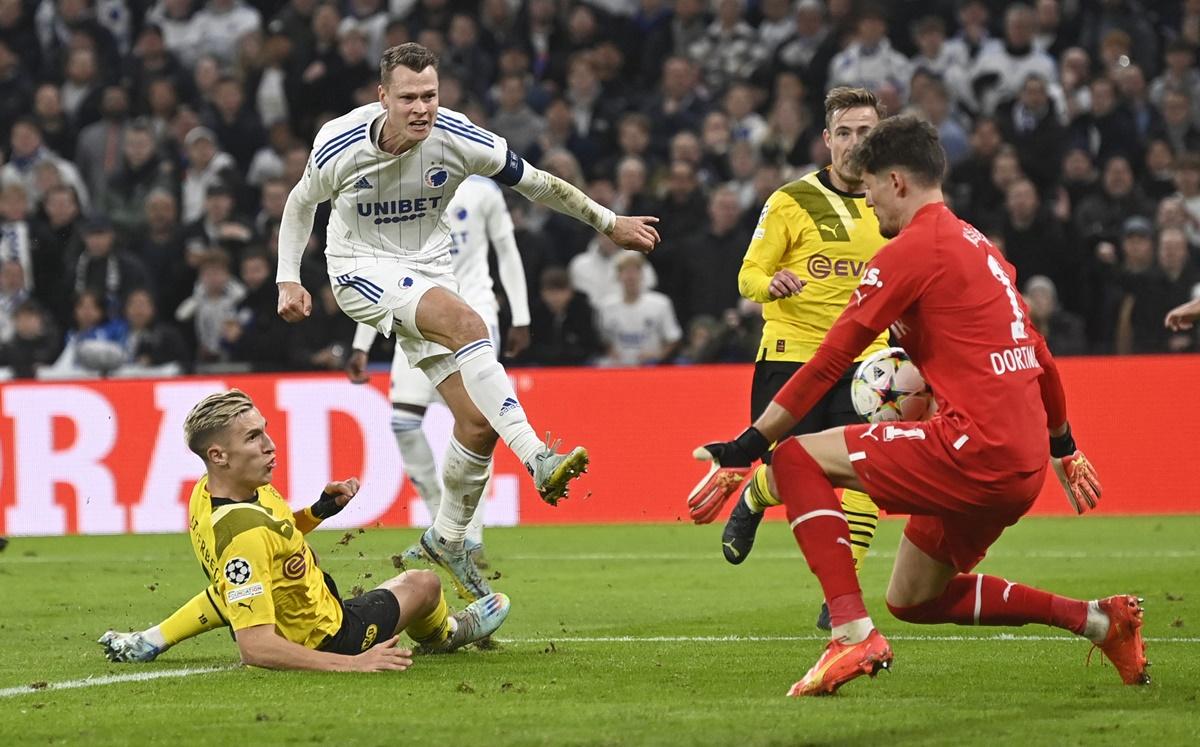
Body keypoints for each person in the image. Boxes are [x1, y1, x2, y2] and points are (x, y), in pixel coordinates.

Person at [688, 116, 1146, 697]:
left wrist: (745, 447)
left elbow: (830, 362)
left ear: (898, 182)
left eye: (871, 184)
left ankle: (851, 635)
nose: (867, 199)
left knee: (795, 459)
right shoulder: (981, 247)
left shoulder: (911, 251)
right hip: (1022, 459)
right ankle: (1102, 622)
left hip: (972, 447)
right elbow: (1043, 359)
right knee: (913, 598)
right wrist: (1064, 447)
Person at [275, 45, 657, 528]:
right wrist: (289, 277)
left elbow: (537, 183)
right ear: (383, 97)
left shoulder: (459, 137)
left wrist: (608, 222)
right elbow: (300, 203)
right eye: (408, 97)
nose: (421, 109)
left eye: (430, 96)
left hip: (430, 266)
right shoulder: (340, 142)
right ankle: (537, 455)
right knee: (468, 323)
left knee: (477, 425)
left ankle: (451, 539)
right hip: (359, 266)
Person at [98, 388, 509, 668]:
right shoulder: (243, 538)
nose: (269, 445)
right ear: (219, 454)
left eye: (266, 430)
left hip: (276, 602)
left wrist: (318, 510)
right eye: (253, 437)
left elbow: (275, 536)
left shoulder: (209, 493)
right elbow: (254, 647)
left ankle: (152, 639)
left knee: (237, 587)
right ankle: (446, 633)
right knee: (423, 583)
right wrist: (353, 664)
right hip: (327, 638)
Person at [710, 87, 889, 632]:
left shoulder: (896, 199)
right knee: (791, 468)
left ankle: (843, 595)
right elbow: (747, 276)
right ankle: (756, 496)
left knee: (869, 474)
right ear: (827, 139)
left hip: (872, 359)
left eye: (866, 132)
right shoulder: (791, 200)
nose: (856, 142)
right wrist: (774, 283)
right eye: (845, 132)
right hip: (794, 351)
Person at [345, 174, 531, 590]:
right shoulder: (401, 187)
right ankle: (442, 521)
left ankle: (471, 535)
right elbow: (380, 269)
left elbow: (507, 249)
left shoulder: (483, 189)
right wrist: (361, 341)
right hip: (417, 315)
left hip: (473, 313)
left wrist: (521, 314)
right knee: (403, 422)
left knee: (477, 425)